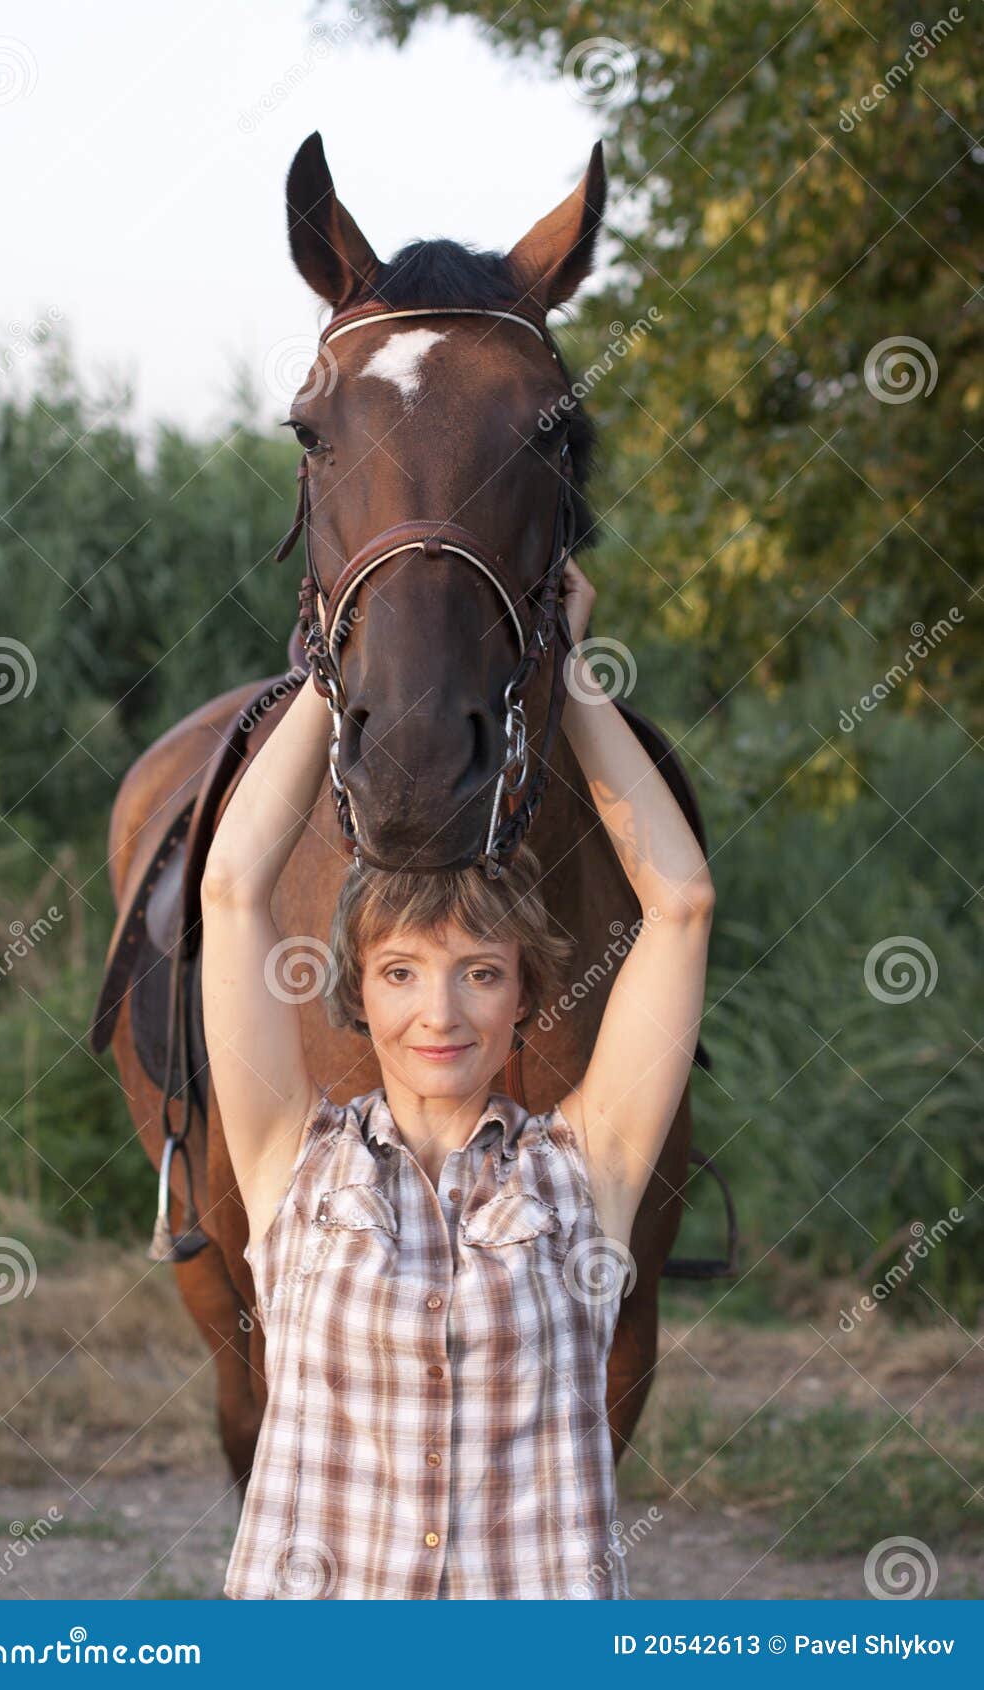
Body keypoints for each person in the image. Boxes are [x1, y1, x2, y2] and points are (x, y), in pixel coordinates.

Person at [202, 556, 714, 1600]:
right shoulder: (286, 1166)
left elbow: (680, 904)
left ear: (521, 996)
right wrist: (328, 660)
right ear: (356, 992)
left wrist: (561, 668)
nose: (439, 1012)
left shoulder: (588, 1171)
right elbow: (229, 886)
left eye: (479, 973)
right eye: (401, 972)